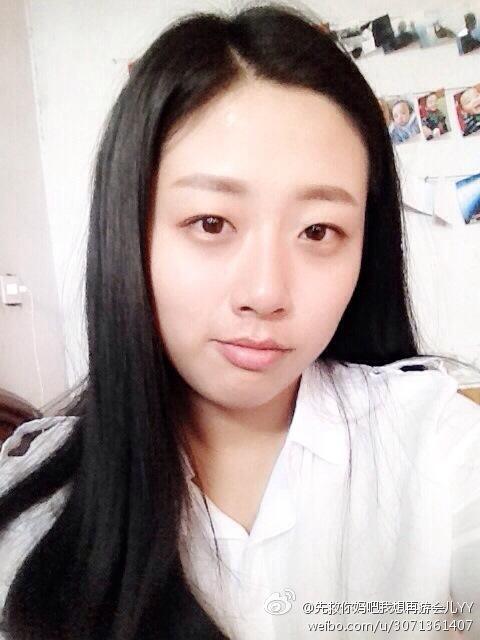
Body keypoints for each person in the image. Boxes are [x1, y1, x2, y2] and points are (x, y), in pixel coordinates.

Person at [0, 4, 479, 639]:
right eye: (211, 223)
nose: (265, 293)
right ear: (130, 231)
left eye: (318, 230)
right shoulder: (29, 511)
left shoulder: (439, 446)